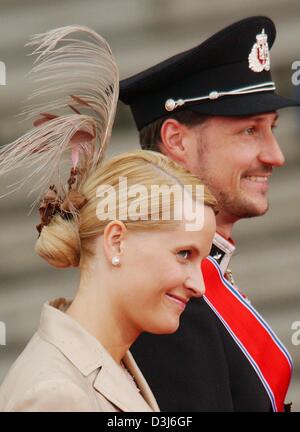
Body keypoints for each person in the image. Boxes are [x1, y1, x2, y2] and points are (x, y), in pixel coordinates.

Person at [0, 26, 217, 412]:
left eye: (201, 258)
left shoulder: (113, 363)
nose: (199, 284)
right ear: (116, 241)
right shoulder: (56, 393)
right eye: (184, 254)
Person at [119, 16, 299, 412]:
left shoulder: (197, 272)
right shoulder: (164, 295)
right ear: (176, 140)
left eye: (271, 128)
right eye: (250, 130)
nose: (276, 155)